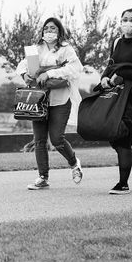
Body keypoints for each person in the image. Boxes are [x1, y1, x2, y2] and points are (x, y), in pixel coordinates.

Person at [15, 17, 84, 190]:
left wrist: (49, 73)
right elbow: (23, 64)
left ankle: (74, 163)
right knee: (39, 141)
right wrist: (25, 74)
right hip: (39, 100)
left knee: (57, 139)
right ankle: (42, 177)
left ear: (59, 31)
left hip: (60, 101)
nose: (49, 31)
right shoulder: (36, 48)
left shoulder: (67, 49)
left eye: (53, 28)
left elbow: (75, 69)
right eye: (46, 28)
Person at [99, 8, 132, 195]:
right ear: (120, 22)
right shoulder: (116, 42)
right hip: (117, 96)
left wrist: (119, 74)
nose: (128, 23)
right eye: (124, 19)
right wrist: (104, 77)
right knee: (115, 139)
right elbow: (110, 64)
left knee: (123, 139)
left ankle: (123, 183)